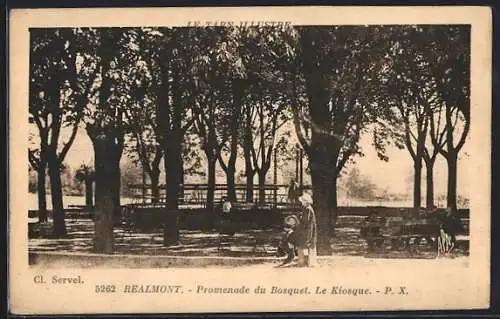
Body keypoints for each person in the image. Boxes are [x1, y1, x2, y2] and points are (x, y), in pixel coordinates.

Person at [295, 192, 318, 267]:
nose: (301, 203)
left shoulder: (307, 209)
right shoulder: (307, 208)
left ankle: (305, 262)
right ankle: (308, 261)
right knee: (308, 245)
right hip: (308, 229)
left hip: (308, 230)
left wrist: (299, 219)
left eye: (302, 201)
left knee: (304, 245)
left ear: (306, 202)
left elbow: (306, 221)